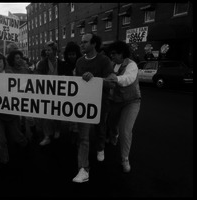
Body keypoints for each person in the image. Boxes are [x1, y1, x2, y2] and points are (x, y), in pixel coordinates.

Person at [72, 33, 114, 183]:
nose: (81, 45)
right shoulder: (79, 61)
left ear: (94, 44)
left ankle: (100, 147)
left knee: (100, 128)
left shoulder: (104, 60)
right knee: (83, 137)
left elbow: (112, 82)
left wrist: (95, 79)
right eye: (81, 42)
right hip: (83, 104)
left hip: (101, 102)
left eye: (85, 42)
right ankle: (83, 169)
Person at [104, 40, 141, 173]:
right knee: (111, 123)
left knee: (126, 130)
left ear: (122, 53)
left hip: (131, 102)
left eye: (114, 53)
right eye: (111, 54)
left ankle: (125, 158)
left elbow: (128, 79)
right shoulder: (111, 65)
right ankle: (114, 134)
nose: (111, 56)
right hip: (115, 101)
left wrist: (116, 79)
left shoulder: (132, 65)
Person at [36, 41, 65, 146]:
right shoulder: (42, 64)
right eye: (46, 50)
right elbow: (37, 76)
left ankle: (57, 129)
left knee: (57, 113)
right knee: (46, 115)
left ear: (55, 51)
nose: (47, 52)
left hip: (59, 93)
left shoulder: (61, 63)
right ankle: (47, 135)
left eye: (49, 50)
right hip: (46, 93)